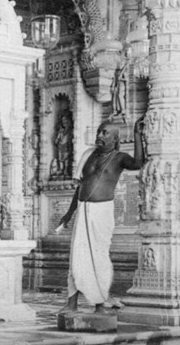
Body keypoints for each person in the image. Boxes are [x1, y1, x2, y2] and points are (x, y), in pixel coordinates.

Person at [55, 118, 145, 315]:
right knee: (76, 257)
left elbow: (138, 162)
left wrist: (137, 135)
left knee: (99, 257)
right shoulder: (88, 154)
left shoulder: (119, 157)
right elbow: (80, 186)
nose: (100, 136)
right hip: (82, 208)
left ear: (115, 139)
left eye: (105, 133)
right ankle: (72, 303)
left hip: (102, 211)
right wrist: (69, 213)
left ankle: (99, 304)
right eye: (99, 132)